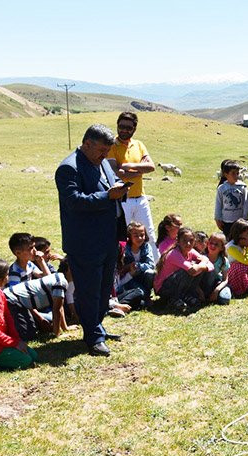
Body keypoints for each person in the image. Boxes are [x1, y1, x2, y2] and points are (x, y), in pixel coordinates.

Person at [55, 124, 128, 357]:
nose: (105, 156)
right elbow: (74, 201)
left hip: (107, 238)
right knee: (89, 290)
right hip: (85, 242)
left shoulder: (102, 162)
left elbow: (109, 187)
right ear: (87, 144)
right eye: (102, 150)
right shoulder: (69, 168)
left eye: (108, 151)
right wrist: (108, 196)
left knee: (104, 288)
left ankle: (97, 327)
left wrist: (119, 190)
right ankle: (93, 337)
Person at [107, 112, 159, 260]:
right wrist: (139, 171)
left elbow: (151, 167)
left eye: (128, 127)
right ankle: (120, 269)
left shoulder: (139, 145)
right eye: (121, 126)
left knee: (149, 234)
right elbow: (117, 173)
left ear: (134, 128)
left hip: (140, 198)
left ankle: (155, 269)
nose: (124, 130)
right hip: (122, 199)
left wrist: (128, 166)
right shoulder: (112, 146)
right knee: (121, 237)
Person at [154, 227, 213, 312]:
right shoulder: (174, 254)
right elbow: (192, 270)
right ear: (178, 241)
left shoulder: (191, 251)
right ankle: (173, 299)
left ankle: (186, 296)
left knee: (198, 268)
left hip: (175, 284)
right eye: (184, 240)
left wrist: (202, 264)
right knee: (187, 270)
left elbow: (211, 266)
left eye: (191, 240)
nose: (188, 243)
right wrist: (203, 262)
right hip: (163, 288)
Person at [118, 222, 156, 308]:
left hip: (141, 276)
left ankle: (146, 297)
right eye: (136, 235)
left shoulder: (146, 247)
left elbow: (151, 265)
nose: (139, 238)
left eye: (142, 235)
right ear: (129, 237)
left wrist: (137, 265)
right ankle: (143, 298)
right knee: (140, 292)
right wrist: (129, 267)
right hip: (129, 278)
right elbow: (120, 268)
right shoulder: (125, 249)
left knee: (150, 273)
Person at [215, 159, 248, 238]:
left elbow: (246, 203)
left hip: (239, 220)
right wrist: (217, 218)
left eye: (237, 173)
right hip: (226, 221)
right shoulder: (221, 188)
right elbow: (218, 204)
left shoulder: (242, 187)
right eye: (233, 173)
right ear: (226, 174)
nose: (236, 176)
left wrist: (244, 218)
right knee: (228, 240)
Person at [201, 232, 232, 305]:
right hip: (203, 284)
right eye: (211, 243)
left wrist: (216, 291)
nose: (212, 246)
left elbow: (225, 279)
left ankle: (216, 295)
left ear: (221, 248)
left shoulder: (223, 260)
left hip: (217, 284)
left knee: (225, 299)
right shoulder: (202, 257)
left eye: (216, 244)